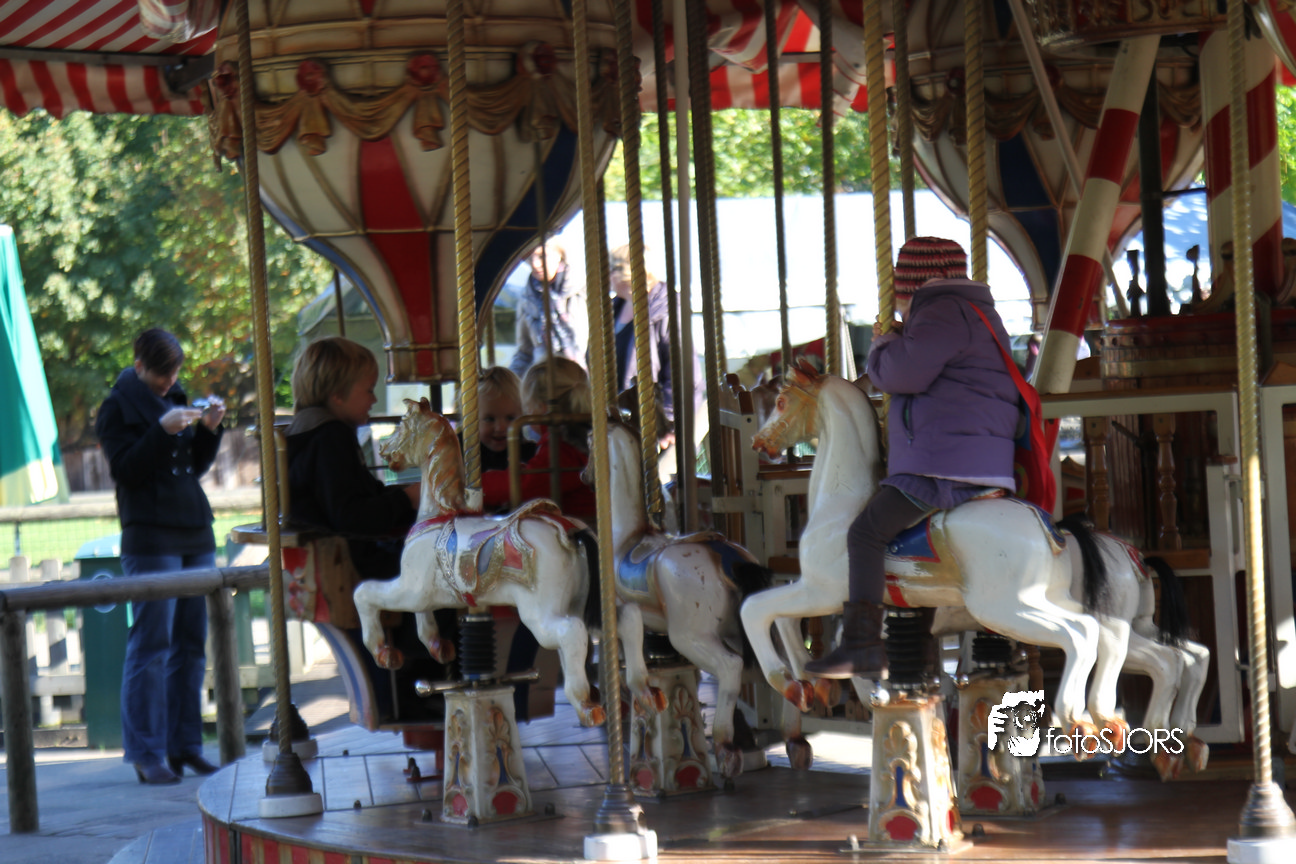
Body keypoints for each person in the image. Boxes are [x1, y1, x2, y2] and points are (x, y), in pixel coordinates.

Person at [804, 237, 1020, 679]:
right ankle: (910, 648)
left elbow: (901, 374)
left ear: (912, 285)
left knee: (866, 533)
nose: (899, 305)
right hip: (971, 454)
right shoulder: (972, 312)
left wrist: (883, 345)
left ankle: (862, 645)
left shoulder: (942, 312)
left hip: (946, 464)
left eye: (900, 292)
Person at [284, 336, 451, 721]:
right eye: (368, 390)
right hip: (356, 558)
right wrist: (407, 500)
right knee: (442, 570)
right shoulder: (330, 437)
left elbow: (355, 496)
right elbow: (352, 516)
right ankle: (420, 680)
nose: (374, 400)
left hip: (343, 553)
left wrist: (402, 496)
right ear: (337, 395)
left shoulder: (306, 432)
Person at [95, 328, 226, 785]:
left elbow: (194, 467)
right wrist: (160, 430)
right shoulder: (116, 407)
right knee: (152, 645)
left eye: (174, 373)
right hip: (151, 535)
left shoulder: (177, 398)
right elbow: (126, 471)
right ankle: (146, 752)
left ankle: (185, 745)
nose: (170, 381)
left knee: (191, 643)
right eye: (161, 374)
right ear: (139, 366)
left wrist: (209, 430)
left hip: (195, 529)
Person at [608, 244, 705, 482]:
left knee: (655, 485)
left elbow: (682, 372)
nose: (607, 276)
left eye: (612, 269)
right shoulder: (614, 309)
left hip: (658, 425)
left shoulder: (666, 310)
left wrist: (669, 424)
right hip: (625, 420)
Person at [480, 356, 595, 522]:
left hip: (583, 525)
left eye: (528, 408)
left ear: (541, 408)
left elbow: (525, 486)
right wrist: (525, 470)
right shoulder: (580, 434)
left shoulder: (564, 446)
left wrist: (475, 487)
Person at [509, 241, 588, 377]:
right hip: (545, 378)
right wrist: (510, 381)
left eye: (542, 256)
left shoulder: (583, 289)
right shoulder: (527, 298)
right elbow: (524, 352)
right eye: (529, 257)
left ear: (559, 255)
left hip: (583, 377)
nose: (535, 264)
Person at [473, 366, 536, 472]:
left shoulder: (530, 454)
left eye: (510, 418)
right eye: (489, 419)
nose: (500, 428)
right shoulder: (463, 453)